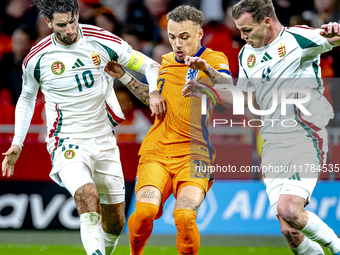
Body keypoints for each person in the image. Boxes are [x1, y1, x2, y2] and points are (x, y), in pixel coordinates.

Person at [1, 0, 165, 255]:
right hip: (65, 140)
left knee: (115, 221)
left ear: (77, 15)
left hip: (104, 139)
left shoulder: (102, 40)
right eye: (61, 25)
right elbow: (26, 98)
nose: (69, 29)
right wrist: (17, 143)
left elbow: (150, 65)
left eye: (72, 21)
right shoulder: (37, 57)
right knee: (87, 196)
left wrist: (154, 92)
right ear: (48, 23)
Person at [183, 0, 340, 254]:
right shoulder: (247, 54)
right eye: (240, 30)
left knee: (289, 209)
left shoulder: (298, 40)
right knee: (290, 230)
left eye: (247, 30)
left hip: (305, 138)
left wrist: (334, 30)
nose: (242, 37)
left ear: (267, 22)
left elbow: (333, 37)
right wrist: (209, 87)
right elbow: (247, 100)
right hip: (272, 144)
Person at [123, 5, 232, 255]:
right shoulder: (166, 61)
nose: (177, 44)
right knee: (144, 212)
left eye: (184, 37)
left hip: (195, 155)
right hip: (157, 151)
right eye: (172, 37)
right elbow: (156, 100)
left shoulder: (214, 59)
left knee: (184, 216)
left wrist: (206, 70)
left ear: (199, 34)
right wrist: (133, 83)